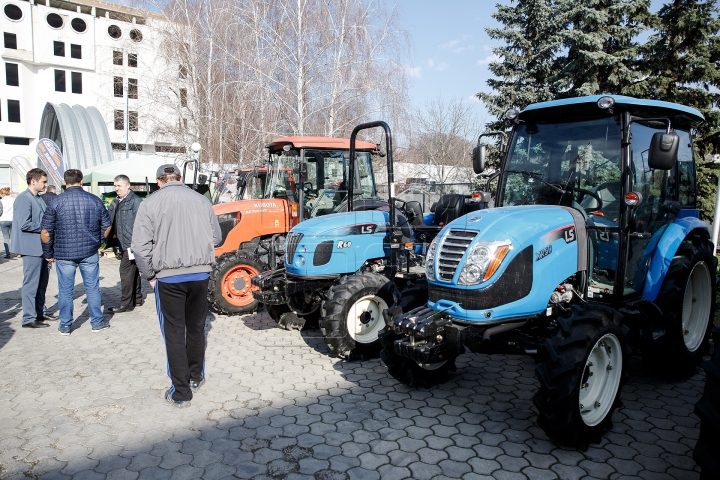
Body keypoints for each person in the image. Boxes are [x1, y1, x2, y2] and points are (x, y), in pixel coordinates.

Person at [132, 164, 221, 408]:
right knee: (196, 329)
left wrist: (149, 274)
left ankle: (180, 392)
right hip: (200, 275)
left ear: (159, 181)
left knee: (173, 333)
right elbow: (216, 238)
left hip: (169, 277)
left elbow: (140, 247)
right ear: (180, 179)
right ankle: (195, 376)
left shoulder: (150, 203)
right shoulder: (201, 201)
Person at [41, 169, 112, 335]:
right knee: (92, 288)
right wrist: (100, 242)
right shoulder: (94, 200)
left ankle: (65, 325)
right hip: (89, 251)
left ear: (65, 183)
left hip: (64, 253)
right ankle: (97, 322)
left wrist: (48, 253)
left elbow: (45, 231)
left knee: (65, 290)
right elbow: (107, 226)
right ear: (81, 182)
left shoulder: (56, 202)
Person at [11, 169, 52, 328]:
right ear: (33, 181)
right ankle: (28, 318)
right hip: (30, 248)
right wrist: (46, 227)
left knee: (42, 283)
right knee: (31, 284)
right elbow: (24, 224)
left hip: (40, 248)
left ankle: (39, 312)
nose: (45, 184)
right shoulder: (24, 199)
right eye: (43, 181)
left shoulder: (37, 198)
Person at [106, 175, 143, 313]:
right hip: (121, 242)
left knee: (125, 271)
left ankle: (126, 303)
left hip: (132, 243)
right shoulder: (116, 201)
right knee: (133, 270)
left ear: (128, 186)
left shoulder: (135, 201)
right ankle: (137, 298)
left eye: (119, 186)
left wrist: (138, 242)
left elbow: (142, 223)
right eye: (115, 186)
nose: (116, 189)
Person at [0, 187, 14, 259]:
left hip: (3, 219)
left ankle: (7, 253)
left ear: (3, 194)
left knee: (6, 238)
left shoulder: (1, 201)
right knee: (12, 237)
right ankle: (13, 251)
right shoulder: (13, 200)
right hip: (12, 219)